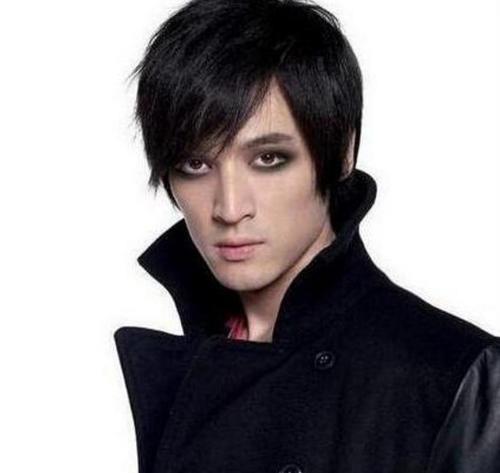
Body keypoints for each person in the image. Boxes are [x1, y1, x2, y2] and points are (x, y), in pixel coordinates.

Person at [114, 1, 500, 472]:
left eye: (268, 159)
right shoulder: (196, 367)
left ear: (343, 152)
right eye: (196, 164)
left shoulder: (457, 376)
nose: (230, 208)